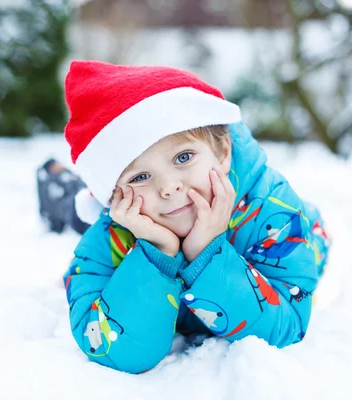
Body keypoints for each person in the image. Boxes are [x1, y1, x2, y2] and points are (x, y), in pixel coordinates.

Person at [58, 60, 330, 374]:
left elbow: (286, 329)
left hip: (305, 232)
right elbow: (112, 348)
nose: (169, 187)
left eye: (183, 157)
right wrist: (156, 253)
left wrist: (207, 254)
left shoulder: (273, 210)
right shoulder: (112, 234)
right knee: (75, 216)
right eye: (140, 176)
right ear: (114, 193)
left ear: (223, 152)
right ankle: (60, 188)